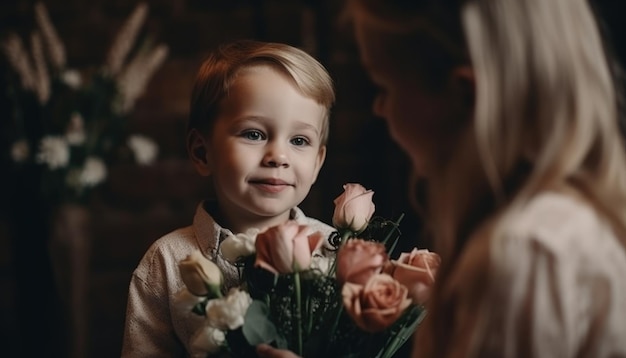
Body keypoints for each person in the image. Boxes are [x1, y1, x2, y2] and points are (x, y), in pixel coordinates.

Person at [257, 0, 626, 357]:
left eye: (385, 88)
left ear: (464, 97)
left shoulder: (527, 252)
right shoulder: (562, 225)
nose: (379, 108)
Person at [121, 39, 336, 357]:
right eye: (254, 134)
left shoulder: (336, 254)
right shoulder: (166, 263)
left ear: (317, 163)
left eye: (299, 140)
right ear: (201, 152)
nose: (278, 155)